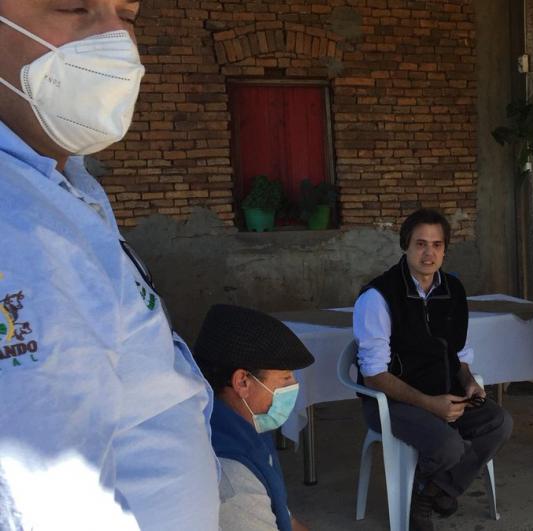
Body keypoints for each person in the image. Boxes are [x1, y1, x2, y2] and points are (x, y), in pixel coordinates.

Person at [0, 2, 219, 529]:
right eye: (73, 5)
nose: (117, 37)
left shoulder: (60, 184)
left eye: (128, 13)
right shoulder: (15, 223)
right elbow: (45, 496)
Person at [353, 208, 513, 531]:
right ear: (406, 246)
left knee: (499, 422)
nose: (429, 253)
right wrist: (431, 404)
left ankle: (429, 492)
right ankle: (428, 497)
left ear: (445, 249)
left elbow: (459, 353)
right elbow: (374, 375)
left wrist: (468, 382)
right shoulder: (378, 297)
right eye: (421, 244)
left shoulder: (453, 291)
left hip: (445, 393)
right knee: (448, 445)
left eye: (437, 245)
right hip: (391, 401)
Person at [193, 304, 313, 531]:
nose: (294, 386)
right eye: (286, 378)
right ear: (243, 382)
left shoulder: (245, 428)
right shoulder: (231, 479)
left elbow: (286, 519)